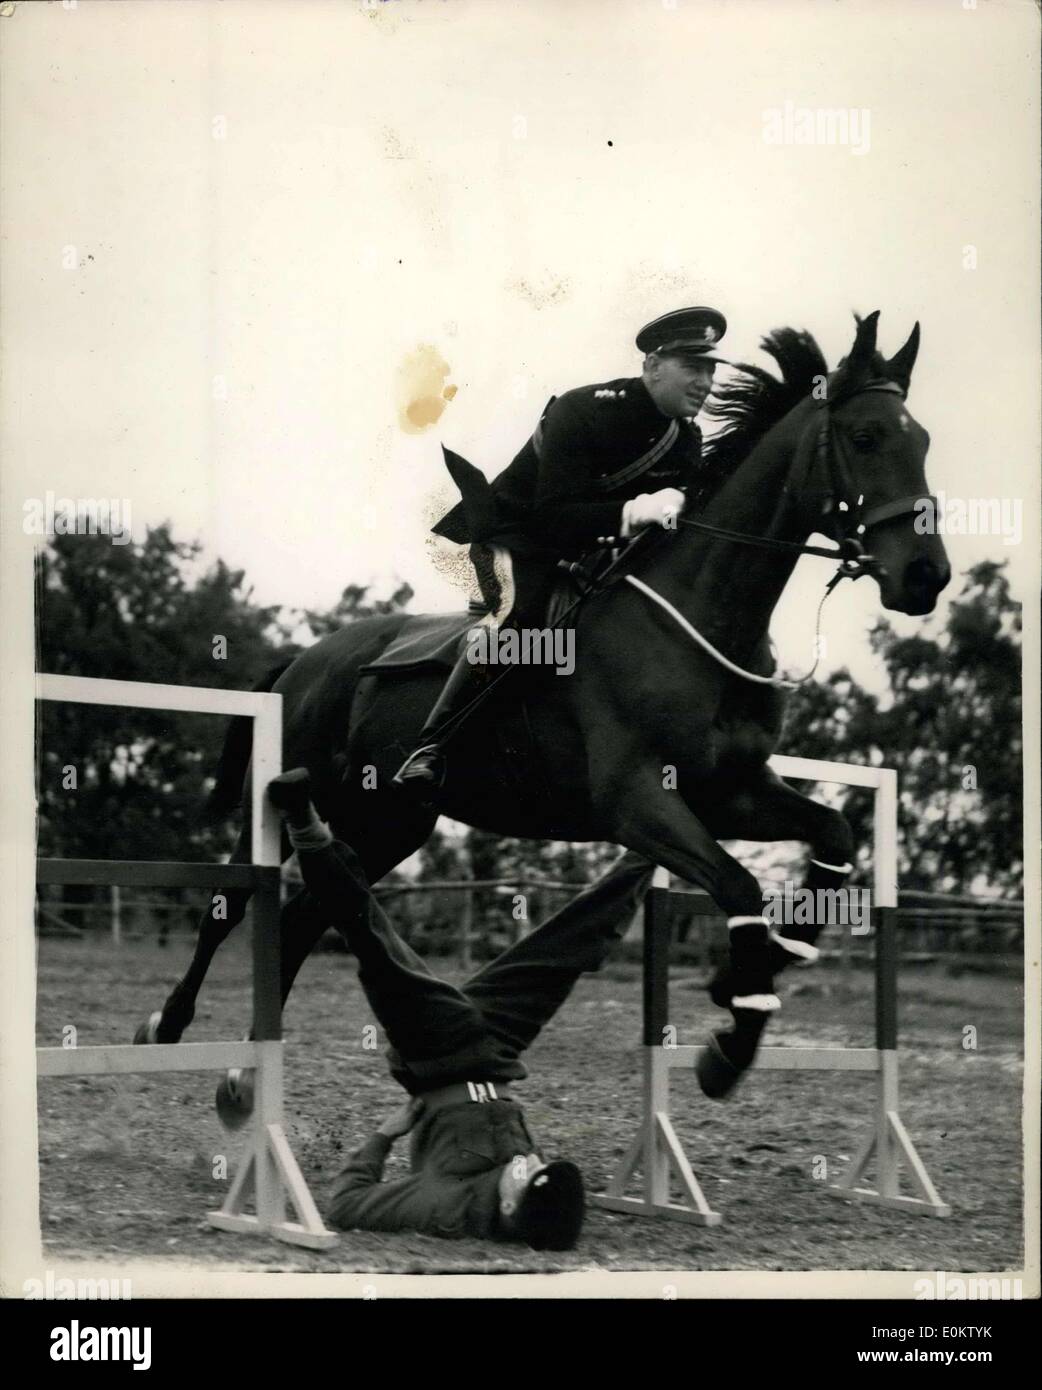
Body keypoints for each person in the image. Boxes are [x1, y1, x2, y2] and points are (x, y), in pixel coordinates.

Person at [268, 767, 655, 1250]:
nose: (532, 1161)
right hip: (498, 1051)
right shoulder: (528, 1193)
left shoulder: (446, 1207)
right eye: (541, 1164)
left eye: (529, 1175)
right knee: (573, 943)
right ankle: (660, 838)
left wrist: (384, 1138)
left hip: (438, 1051)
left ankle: (305, 825)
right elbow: (532, 1178)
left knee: (376, 941)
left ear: (509, 1208)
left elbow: (346, 1206)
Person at [393, 305, 729, 790]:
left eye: (710, 369)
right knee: (520, 619)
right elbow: (553, 518)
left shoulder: (685, 440)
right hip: (515, 540)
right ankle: (430, 745)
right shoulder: (585, 409)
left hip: (591, 554)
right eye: (693, 368)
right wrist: (634, 511)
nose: (706, 382)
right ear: (653, 367)